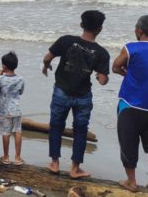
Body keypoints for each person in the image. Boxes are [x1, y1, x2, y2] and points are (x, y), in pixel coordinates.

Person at [42, 10, 109, 178]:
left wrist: (46, 66)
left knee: (56, 126)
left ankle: (55, 163)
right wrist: (98, 75)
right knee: (80, 130)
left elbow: (47, 57)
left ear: (81, 25)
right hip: (83, 95)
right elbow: (102, 80)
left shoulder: (66, 41)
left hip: (61, 91)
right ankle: (75, 168)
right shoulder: (101, 53)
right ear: (100, 29)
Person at [112, 15, 148, 194]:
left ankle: (131, 182)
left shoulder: (131, 48)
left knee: (128, 144)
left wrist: (128, 75)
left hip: (130, 105)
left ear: (139, 31)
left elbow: (115, 67)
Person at [0, 51, 24, 165]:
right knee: (17, 132)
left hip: (4, 111)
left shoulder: (0, 79)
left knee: (5, 133)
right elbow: (21, 92)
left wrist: (0, 75)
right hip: (16, 109)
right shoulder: (20, 79)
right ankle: (17, 157)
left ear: (4, 66)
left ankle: (6, 157)